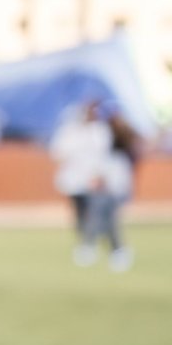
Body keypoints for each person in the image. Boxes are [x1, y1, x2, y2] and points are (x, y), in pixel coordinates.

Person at [80, 110, 140, 272]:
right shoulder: (105, 141)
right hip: (107, 186)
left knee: (109, 221)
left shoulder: (120, 145)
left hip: (115, 187)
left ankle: (116, 250)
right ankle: (103, 248)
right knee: (102, 219)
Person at [51, 102, 109, 264]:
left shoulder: (99, 131)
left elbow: (103, 156)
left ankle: (90, 244)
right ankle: (84, 242)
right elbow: (58, 152)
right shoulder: (69, 131)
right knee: (79, 214)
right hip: (73, 180)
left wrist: (99, 175)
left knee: (93, 213)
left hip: (93, 180)